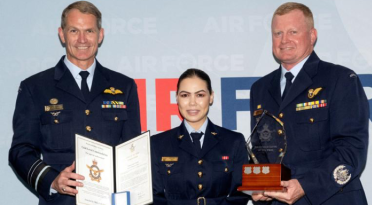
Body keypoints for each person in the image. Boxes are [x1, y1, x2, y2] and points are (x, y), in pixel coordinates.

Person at [9, 1, 141, 205]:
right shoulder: (35, 88)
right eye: (74, 31)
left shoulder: (124, 86)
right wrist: (51, 179)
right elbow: (20, 151)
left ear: (100, 34)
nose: (82, 39)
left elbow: (132, 153)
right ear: (62, 34)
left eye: (89, 31)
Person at [250, 2, 369, 205]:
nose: (284, 40)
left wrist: (306, 185)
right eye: (277, 33)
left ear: (312, 36)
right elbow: (262, 151)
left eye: (293, 32)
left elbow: (351, 150)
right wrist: (258, 187)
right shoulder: (260, 89)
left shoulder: (340, 79)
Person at [151, 68, 249, 205]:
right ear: (177, 98)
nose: (192, 103)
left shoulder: (233, 141)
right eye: (185, 95)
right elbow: (154, 197)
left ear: (211, 97)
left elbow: (240, 194)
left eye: (200, 95)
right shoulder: (157, 144)